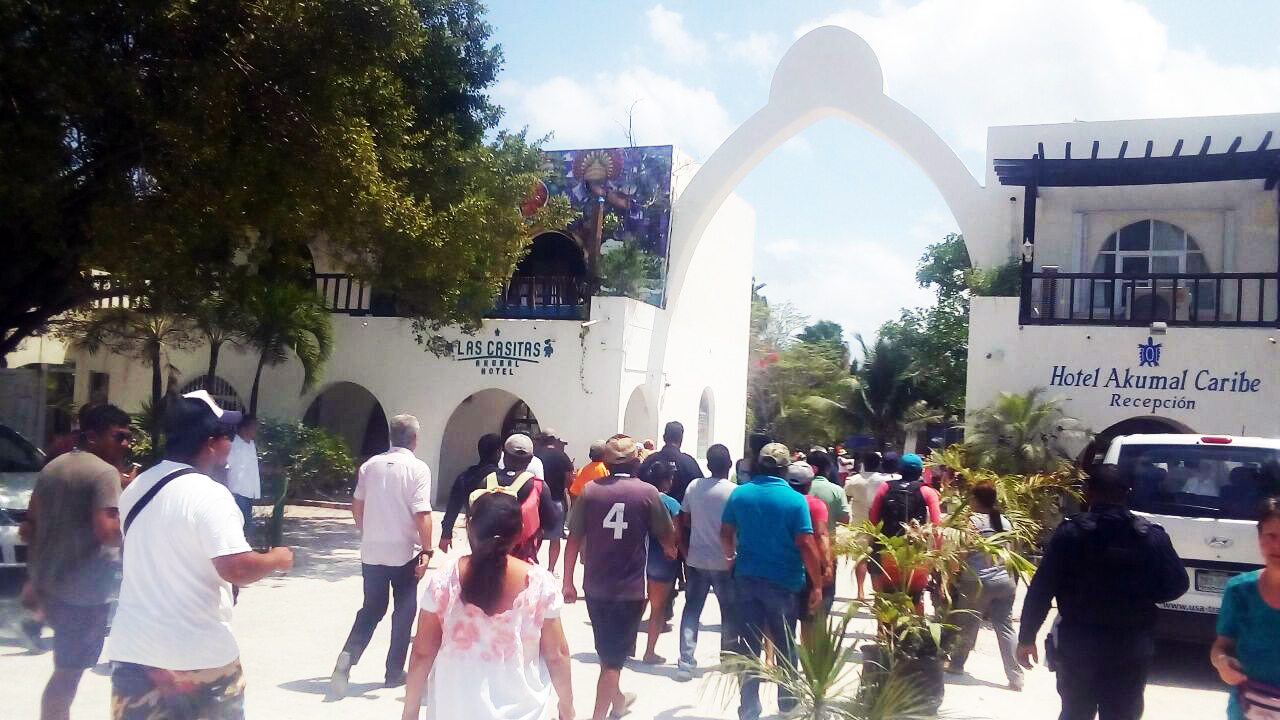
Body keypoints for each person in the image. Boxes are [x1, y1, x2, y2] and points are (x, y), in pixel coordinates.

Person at [109, 390, 293, 719]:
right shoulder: (210, 495)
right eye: (227, 435)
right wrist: (277, 559)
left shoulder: (137, 487)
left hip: (135, 653)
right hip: (198, 656)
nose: (231, 441)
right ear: (211, 443)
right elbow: (236, 568)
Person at [1017, 465, 1189, 720]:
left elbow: (1042, 588)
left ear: (1087, 493)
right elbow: (1178, 584)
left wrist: (1027, 637)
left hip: (1078, 643)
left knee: (1075, 712)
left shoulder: (1070, 534)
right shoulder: (1150, 537)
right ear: (1127, 493)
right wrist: (1143, 595)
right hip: (1130, 645)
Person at [401, 492, 574, 720]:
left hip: (454, 711)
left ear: (470, 527)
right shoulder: (539, 584)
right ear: (520, 531)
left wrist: (410, 711)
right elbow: (557, 654)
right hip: (522, 712)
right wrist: (567, 707)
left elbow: (422, 653)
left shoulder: (446, 579)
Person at [23, 403, 130, 720]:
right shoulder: (104, 473)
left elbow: (29, 526)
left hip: (53, 585)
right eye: (119, 436)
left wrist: (35, 577)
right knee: (68, 675)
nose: (126, 444)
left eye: (128, 437)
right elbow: (108, 532)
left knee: (65, 669)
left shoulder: (53, 467)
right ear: (93, 436)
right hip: (85, 594)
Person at [563, 435, 677, 720]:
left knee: (608, 652)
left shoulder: (590, 491)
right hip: (630, 588)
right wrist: (671, 550)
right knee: (613, 661)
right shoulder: (648, 493)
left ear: (607, 463)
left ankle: (619, 701)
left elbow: (573, 538)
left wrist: (567, 581)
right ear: (636, 462)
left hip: (594, 585)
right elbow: (667, 537)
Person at [330, 414, 433, 699]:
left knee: (372, 608)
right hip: (404, 551)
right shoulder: (418, 469)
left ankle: (349, 655)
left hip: (372, 549)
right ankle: (393, 671)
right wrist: (427, 550)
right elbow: (422, 513)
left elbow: (357, 505)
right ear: (414, 439)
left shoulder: (370, 466)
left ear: (391, 436)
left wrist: (367, 532)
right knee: (404, 610)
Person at [720, 443, 824, 720]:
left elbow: (726, 531)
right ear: (785, 468)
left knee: (749, 645)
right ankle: (787, 705)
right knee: (785, 645)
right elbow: (806, 543)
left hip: (746, 578)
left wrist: (730, 556)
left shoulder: (740, 494)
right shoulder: (795, 500)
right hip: (784, 583)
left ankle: (749, 707)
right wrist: (817, 584)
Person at [946, 481, 1024, 691]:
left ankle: (956, 664)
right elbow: (1012, 553)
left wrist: (951, 577)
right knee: (1005, 627)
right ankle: (1016, 677)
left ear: (975, 499)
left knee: (968, 623)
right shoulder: (1005, 522)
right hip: (1005, 581)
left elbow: (960, 555)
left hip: (977, 582)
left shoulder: (971, 522)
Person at [1211, 497, 1280, 720]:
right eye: (1271, 536)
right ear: (1259, 538)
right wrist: (1222, 663)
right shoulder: (1239, 590)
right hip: (1247, 709)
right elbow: (1221, 646)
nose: (1278, 545)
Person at [676, 444, 738, 681]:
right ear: (729, 465)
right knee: (729, 612)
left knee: (692, 609)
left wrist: (684, 548)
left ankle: (686, 661)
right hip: (726, 560)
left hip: (697, 559)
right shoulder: (734, 492)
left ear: (708, 465)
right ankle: (728, 659)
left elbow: (683, 519)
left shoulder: (694, 487)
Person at [478, 434, 559, 563]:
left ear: (504, 455)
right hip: (522, 559)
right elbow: (551, 523)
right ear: (530, 459)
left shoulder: (487, 481)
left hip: (487, 558)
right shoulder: (538, 486)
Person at [785, 462, 835, 643]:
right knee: (809, 618)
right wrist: (827, 565)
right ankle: (806, 656)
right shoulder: (815, 505)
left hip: (784, 563)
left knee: (781, 619)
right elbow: (821, 535)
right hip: (810, 565)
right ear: (809, 483)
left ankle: (771, 656)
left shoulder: (783, 502)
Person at [640, 460, 682, 665]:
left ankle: (628, 645)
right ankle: (649, 652)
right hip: (662, 560)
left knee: (638, 604)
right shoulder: (672, 504)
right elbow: (675, 532)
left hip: (639, 558)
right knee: (657, 609)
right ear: (666, 481)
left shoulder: (640, 498)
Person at [438, 433, 503, 553]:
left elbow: (453, 507)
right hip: (498, 532)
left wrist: (446, 533)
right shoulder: (502, 477)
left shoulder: (465, 476)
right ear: (498, 452)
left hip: (474, 529)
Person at [844, 453, 885, 601]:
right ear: (879, 464)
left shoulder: (854, 480)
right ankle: (879, 593)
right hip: (878, 524)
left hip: (859, 523)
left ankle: (860, 592)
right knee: (879, 558)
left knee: (861, 558)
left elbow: (846, 498)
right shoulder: (883, 481)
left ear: (863, 463)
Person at [535, 430, 574, 574]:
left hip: (537, 501)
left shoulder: (535, 455)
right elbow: (569, 479)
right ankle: (551, 570)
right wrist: (565, 489)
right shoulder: (562, 456)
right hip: (556, 500)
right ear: (553, 440)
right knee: (555, 538)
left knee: (535, 535)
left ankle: (532, 565)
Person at [639, 421, 703, 503]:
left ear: (664, 437)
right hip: (680, 509)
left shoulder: (650, 460)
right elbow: (700, 489)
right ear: (681, 439)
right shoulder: (689, 463)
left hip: (650, 509)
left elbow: (639, 484)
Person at [225, 414, 261, 540]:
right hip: (237, 491)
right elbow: (226, 466)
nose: (255, 430)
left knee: (246, 525)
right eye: (253, 427)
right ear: (244, 429)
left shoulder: (251, 444)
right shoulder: (233, 445)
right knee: (239, 525)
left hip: (248, 492)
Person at [806, 450, 851, 530]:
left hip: (801, 537)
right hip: (828, 536)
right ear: (828, 469)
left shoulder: (799, 488)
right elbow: (845, 520)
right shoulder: (837, 490)